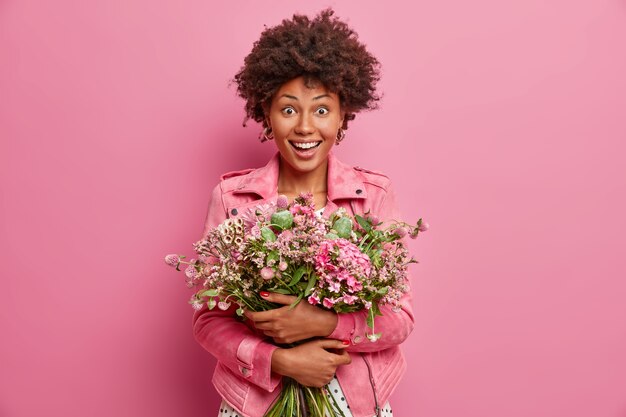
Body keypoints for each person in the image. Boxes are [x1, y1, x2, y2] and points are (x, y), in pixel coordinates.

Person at [192, 9, 414, 417]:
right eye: (289, 109)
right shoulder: (231, 199)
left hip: (355, 403)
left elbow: (399, 319)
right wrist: (277, 361)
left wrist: (324, 325)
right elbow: (209, 320)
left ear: (344, 113)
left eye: (322, 110)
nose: (306, 128)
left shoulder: (374, 197)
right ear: (266, 112)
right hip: (255, 403)